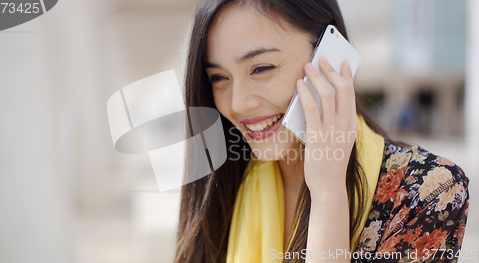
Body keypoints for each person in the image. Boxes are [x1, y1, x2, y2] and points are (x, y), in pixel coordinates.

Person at [174, 0, 469, 262]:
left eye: (261, 68)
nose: (237, 104)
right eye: (219, 77)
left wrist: (328, 193)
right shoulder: (224, 183)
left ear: (329, 53)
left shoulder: (428, 190)